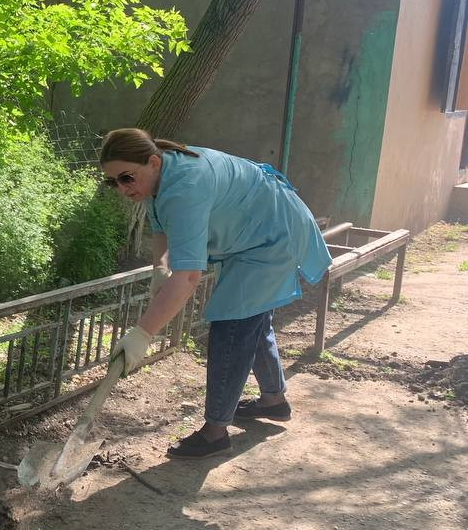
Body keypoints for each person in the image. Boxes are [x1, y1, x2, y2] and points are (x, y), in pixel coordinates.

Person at [101, 128, 332, 459]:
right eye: (113, 182)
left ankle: (215, 433)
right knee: (251, 318)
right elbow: (161, 229)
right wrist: (160, 270)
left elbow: (189, 276)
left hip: (273, 235)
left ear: (153, 162)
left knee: (232, 325)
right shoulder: (158, 177)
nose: (122, 189)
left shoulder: (185, 186)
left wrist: (142, 334)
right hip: (253, 234)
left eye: (126, 178)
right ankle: (273, 401)